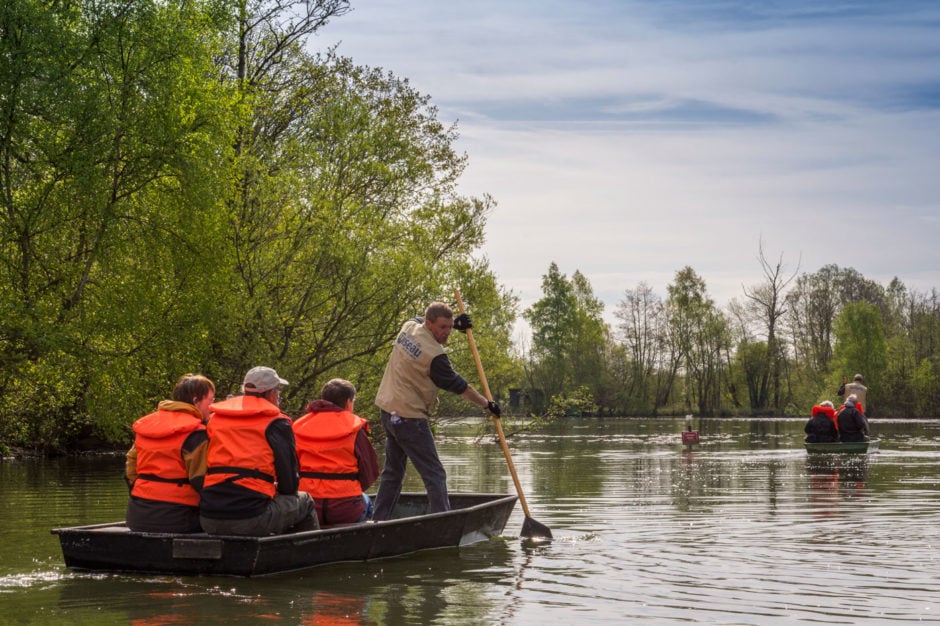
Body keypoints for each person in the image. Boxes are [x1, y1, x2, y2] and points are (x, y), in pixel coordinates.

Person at [372, 302, 501, 519]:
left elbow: (418, 318)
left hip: (388, 411)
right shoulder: (435, 357)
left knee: (392, 474)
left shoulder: (408, 327)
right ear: (430, 324)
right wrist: (487, 404)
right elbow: (460, 387)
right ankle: (443, 522)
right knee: (435, 474)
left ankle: (378, 519)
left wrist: (458, 323)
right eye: (443, 327)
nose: (447, 332)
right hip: (410, 419)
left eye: (450, 327)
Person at [199, 366, 318, 536]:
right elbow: (289, 484)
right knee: (305, 501)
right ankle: (305, 556)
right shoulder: (277, 423)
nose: (279, 396)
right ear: (270, 393)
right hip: (250, 519)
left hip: (208, 517)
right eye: (278, 390)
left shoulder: (214, 419)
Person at [124, 374, 215, 533]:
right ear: (195, 401)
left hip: (137, 515)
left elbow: (130, 470)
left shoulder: (148, 426)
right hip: (180, 518)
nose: (213, 407)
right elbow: (200, 480)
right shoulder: (196, 433)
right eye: (211, 401)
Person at [293, 378, 379, 525]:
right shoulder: (355, 428)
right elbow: (370, 472)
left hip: (308, 504)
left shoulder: (298, 426)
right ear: (348, 402)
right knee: (367, 501)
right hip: (345, 508)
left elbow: (290, 467)